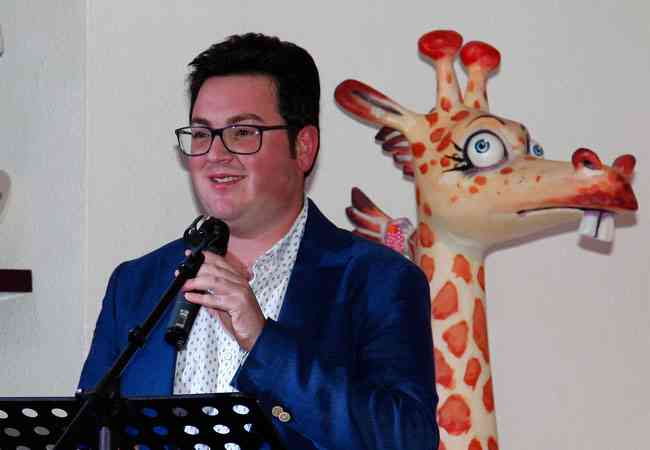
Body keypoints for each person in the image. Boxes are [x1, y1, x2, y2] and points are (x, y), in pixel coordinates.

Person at [79, 33, 438, 449]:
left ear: (304, 147)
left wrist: (264, 342)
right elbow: (88, 435)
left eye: (242, 132)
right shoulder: (136, 285)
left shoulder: (377, 281)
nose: (215, 154)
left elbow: (406, 439)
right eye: (202, 134)